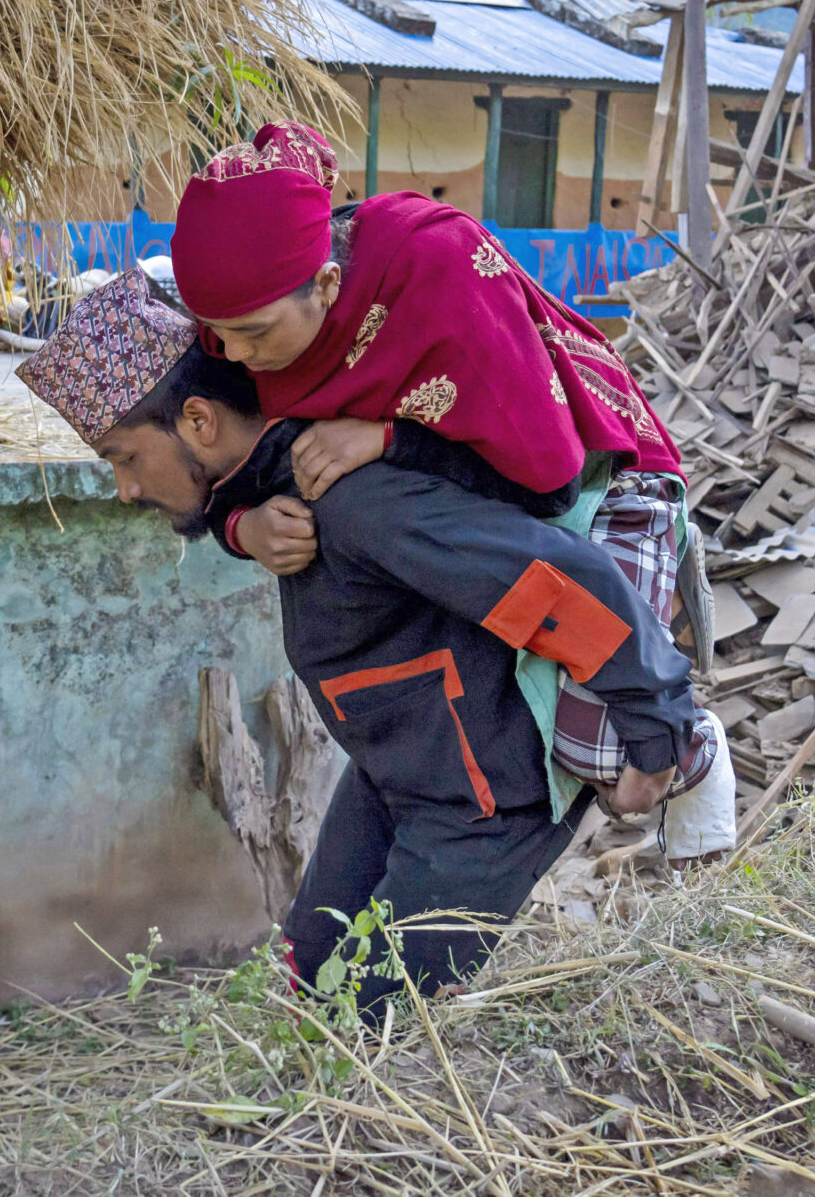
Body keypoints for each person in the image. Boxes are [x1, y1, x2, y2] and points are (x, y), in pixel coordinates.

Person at [17, 271, 708, 1012]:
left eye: (123, 456)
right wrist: (240, 529)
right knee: (302, 981)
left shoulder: (356, 502)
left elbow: (565, 584)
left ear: (197, 420)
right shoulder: (271, 484)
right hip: (399, 769)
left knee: (368, 1020)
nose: (124, 487)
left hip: (484, 800)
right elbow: (229, 504)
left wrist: (657, 732)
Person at [168, 121, 732, 860]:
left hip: (594, 482)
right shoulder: (244, 326)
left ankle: (697, 747)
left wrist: (387, 438)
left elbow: (545, 473)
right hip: (467, 524)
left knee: (598, 745)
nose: (236, 356)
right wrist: (243, 526)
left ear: (329, 287)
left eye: (251, 334)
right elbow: (228, 468)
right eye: (218, 336)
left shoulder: (438, 267)